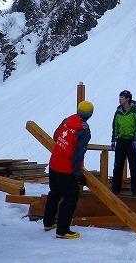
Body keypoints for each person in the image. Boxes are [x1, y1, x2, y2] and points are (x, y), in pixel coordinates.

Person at [43, 100, 93, 239]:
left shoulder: (67, 120)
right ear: (90, 115)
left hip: (54, 163)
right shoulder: (84, 131)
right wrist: (78, 174)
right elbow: (78, 154)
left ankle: (48, 222)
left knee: (55, 192)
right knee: (71, 197)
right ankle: (62, 230)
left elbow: (55, 136)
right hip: (66, 168)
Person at [111, 90, 136, 195]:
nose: (120, 99)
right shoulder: (118, 111)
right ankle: (115, 189)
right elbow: (115, 126)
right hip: (121, 141)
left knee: (133, 167)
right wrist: (113, 139)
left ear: (128, 99)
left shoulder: (135, 110)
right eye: (120, 97)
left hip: (131, 141)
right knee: (118, 165)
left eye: (122, 97)